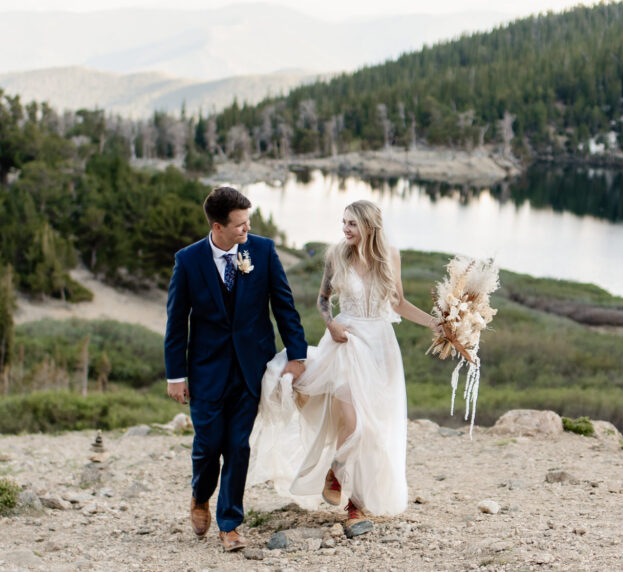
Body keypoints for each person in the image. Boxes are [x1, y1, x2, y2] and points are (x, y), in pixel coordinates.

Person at [250, 200, 441, 534]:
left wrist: (435, 324)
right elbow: (323, 300)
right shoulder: (337, 254)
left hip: (380, 346)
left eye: (352, 224)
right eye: (344, 222)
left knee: (374, 428)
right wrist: (330, 325)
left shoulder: (390, 256)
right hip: (345, 342)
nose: (345, 229)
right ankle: (337, 472)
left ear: (369, 226)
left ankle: (355, 503)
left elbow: (398, 303)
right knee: (352, 424)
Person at [164, 186, 308, 552]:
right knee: (208, 444)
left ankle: (230, 524)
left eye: (248, 222)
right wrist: (175, 375)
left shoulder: (262, 250)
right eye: (240, 224)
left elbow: (284, 305)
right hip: (206, 370)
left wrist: (297, 354)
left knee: (238, 446)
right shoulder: (188, 260)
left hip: (251, 366)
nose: (247, 229)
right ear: (218, 226)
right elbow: (176, 322)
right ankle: (200, 496)